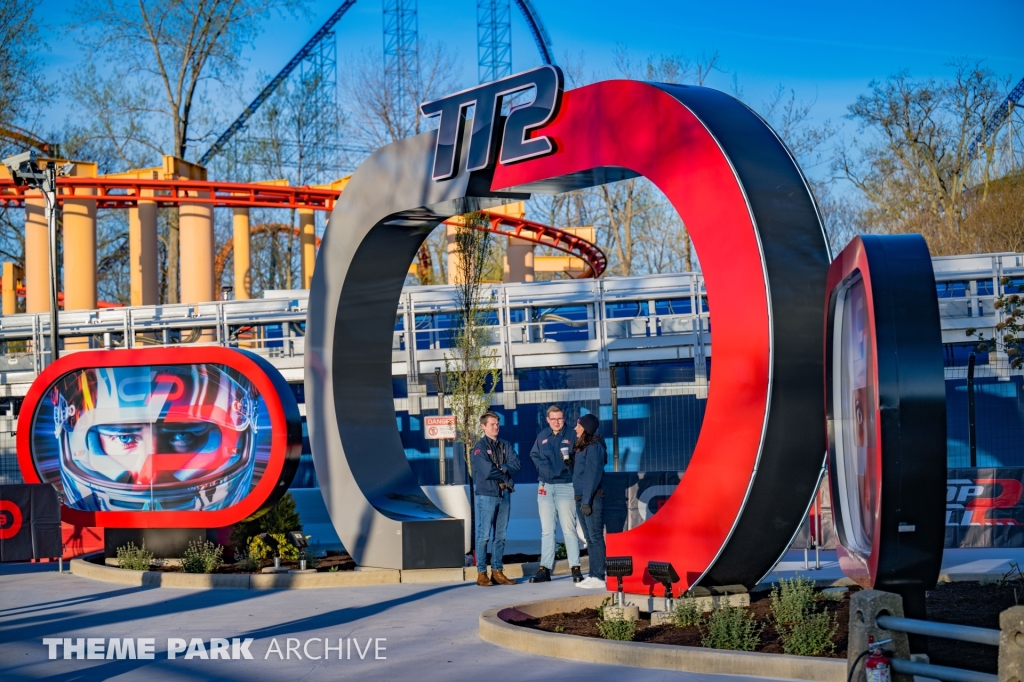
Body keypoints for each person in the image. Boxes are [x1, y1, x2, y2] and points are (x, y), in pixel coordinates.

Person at [528, 405, 583, 584]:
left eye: (559, 418)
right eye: (553, 419)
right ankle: (545, 569)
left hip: (566, 485)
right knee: (547, 531)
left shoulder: (572, 435)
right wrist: (543, 469)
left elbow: (581, 457)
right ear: (547, 420)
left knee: (569, 529)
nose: (557, 422)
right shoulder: (543, 435)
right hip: (545, 487)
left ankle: (575, 568)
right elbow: (533, 455)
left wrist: (570, 463)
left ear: (564, 417)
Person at [471, 411, 520, 586]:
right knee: (484, 535)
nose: (496, 427)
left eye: (497, 424)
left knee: (500, 535)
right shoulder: (479, 448)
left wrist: (501, 466)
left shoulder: (505, 445)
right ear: (483, 426)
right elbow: (486, 471)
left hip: (504, 494)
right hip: (487, 495)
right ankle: (481, 572)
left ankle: (497, 571)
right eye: (492, 424)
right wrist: (504, 472)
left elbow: (516, 465)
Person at [571, 412, 607, 589]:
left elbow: (593, 475)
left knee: (595, 536)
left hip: (591, 498)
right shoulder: (582, 447)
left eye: (578, 425)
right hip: (580, 497)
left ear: (586, 428)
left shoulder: (594, 446)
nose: (575, 428)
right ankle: (593, 574)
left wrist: (587, 500)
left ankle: (599, 576)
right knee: (589, 538)